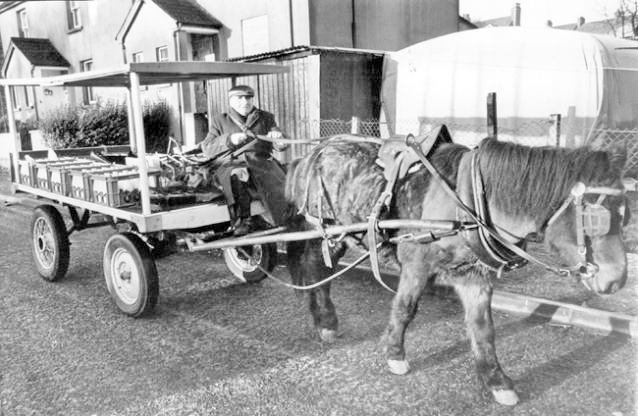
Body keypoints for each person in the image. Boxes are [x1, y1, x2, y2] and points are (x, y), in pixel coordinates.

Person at [197, 85, 288, 236]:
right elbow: (207, 148)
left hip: (261, 163)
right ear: (231, 100)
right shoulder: (220, 121)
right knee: (237, 175)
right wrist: (229, 139)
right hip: (232, 163)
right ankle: (243, 221)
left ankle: (284, 219)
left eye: (248, 98)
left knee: (283, 180)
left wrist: (279, 139)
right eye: (240, 98)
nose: (245, 102)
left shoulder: (266, 118)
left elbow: (281, 146)